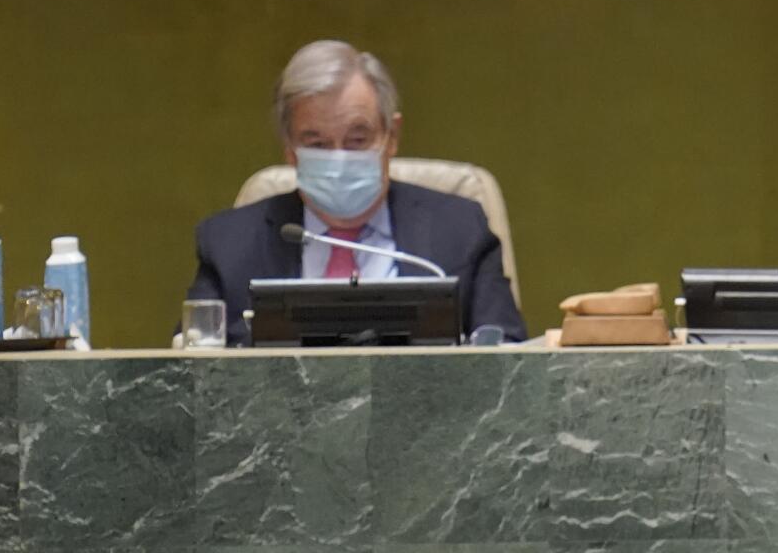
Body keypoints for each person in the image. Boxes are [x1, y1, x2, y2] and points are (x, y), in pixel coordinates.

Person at [185, 39, 527, 346]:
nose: (339, 157)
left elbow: (505, 357)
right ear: (289, 150)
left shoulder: (460, 231)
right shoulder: (229, 244)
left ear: (391, 136)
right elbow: (194, 365)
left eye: (357, 140)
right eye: (316, 143)